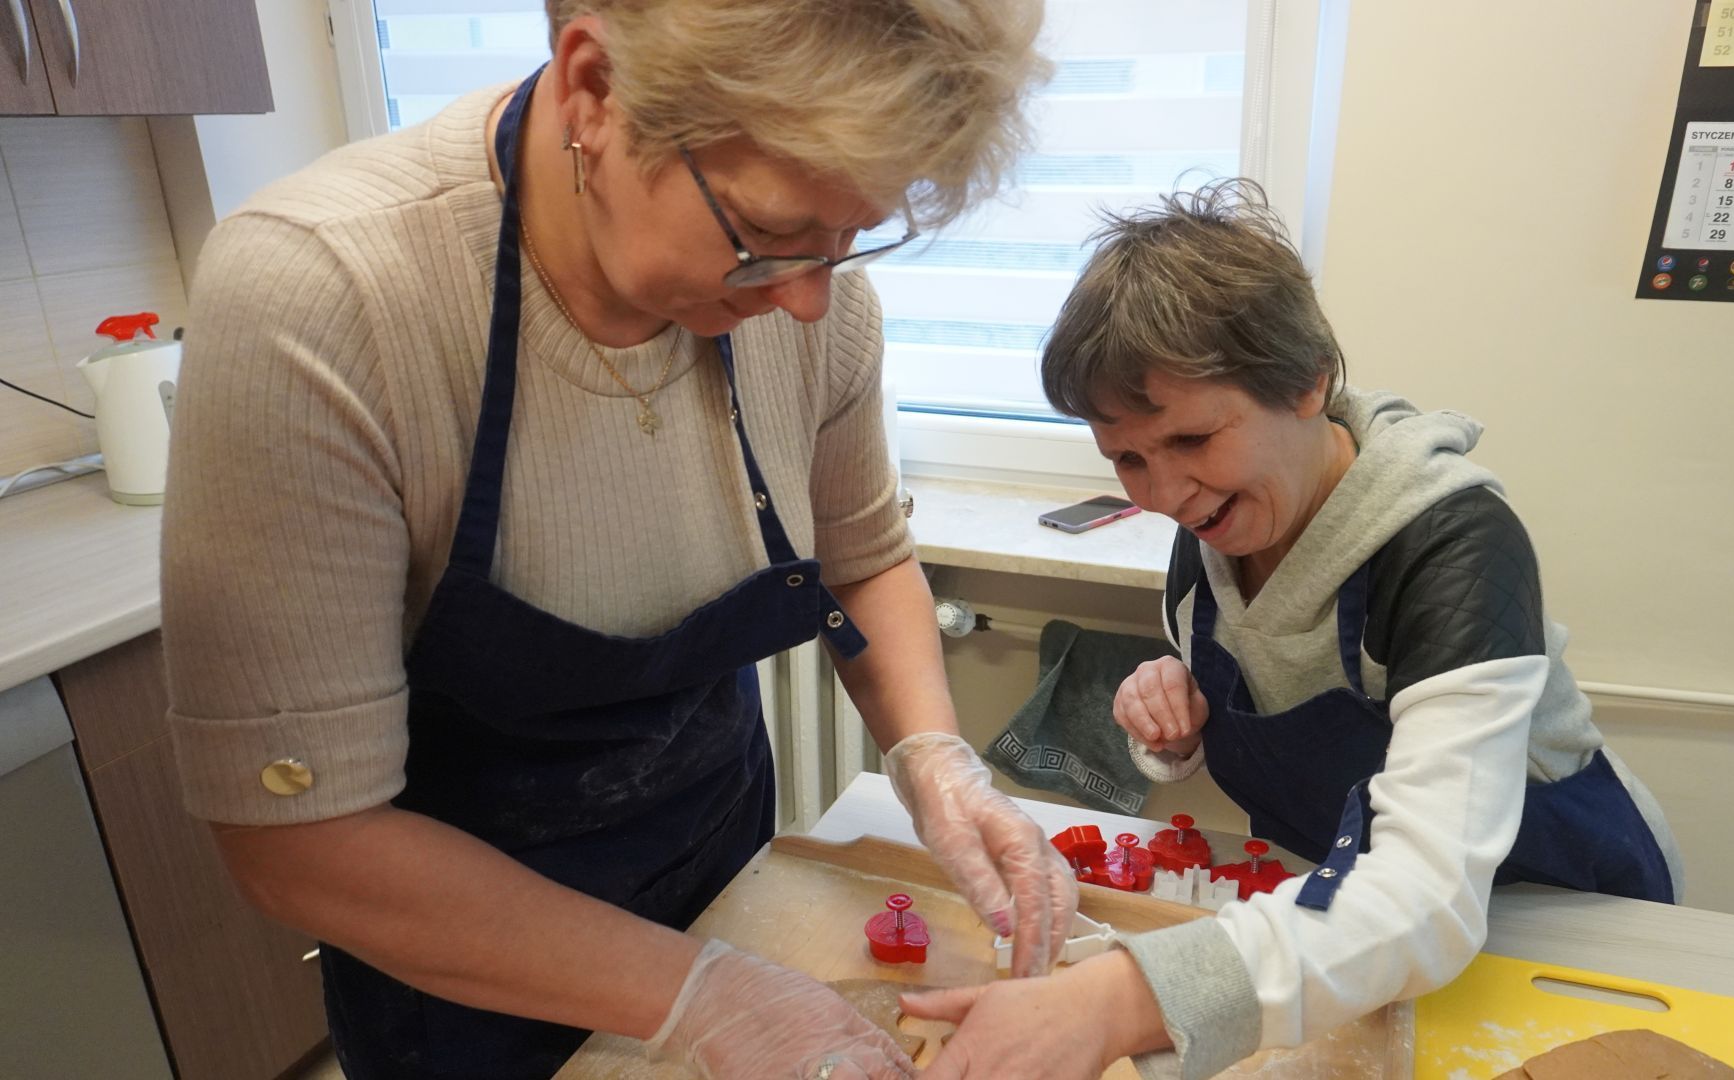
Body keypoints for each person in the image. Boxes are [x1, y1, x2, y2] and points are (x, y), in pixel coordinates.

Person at [160, 3, 1075, 1077]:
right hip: (460, 980)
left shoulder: (810, 299)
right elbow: (296, 844)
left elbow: (862, 556)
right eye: (764, 236)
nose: (810, 299)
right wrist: (693, 993)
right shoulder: (323, 302)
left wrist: (932, 752)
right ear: (593, 85)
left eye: (854, 236)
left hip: (725, 873)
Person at [900, 180, 1684, 1079]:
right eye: (1126, 457)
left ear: (1309, 381)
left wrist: (1127, 998)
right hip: (1356, 925)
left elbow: (1430, 894)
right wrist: (1175, 720)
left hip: (1552, 922)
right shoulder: (1218, 525)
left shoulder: (1454, 548)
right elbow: (1266, 684)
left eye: (1193, 440)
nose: (1161, 493)